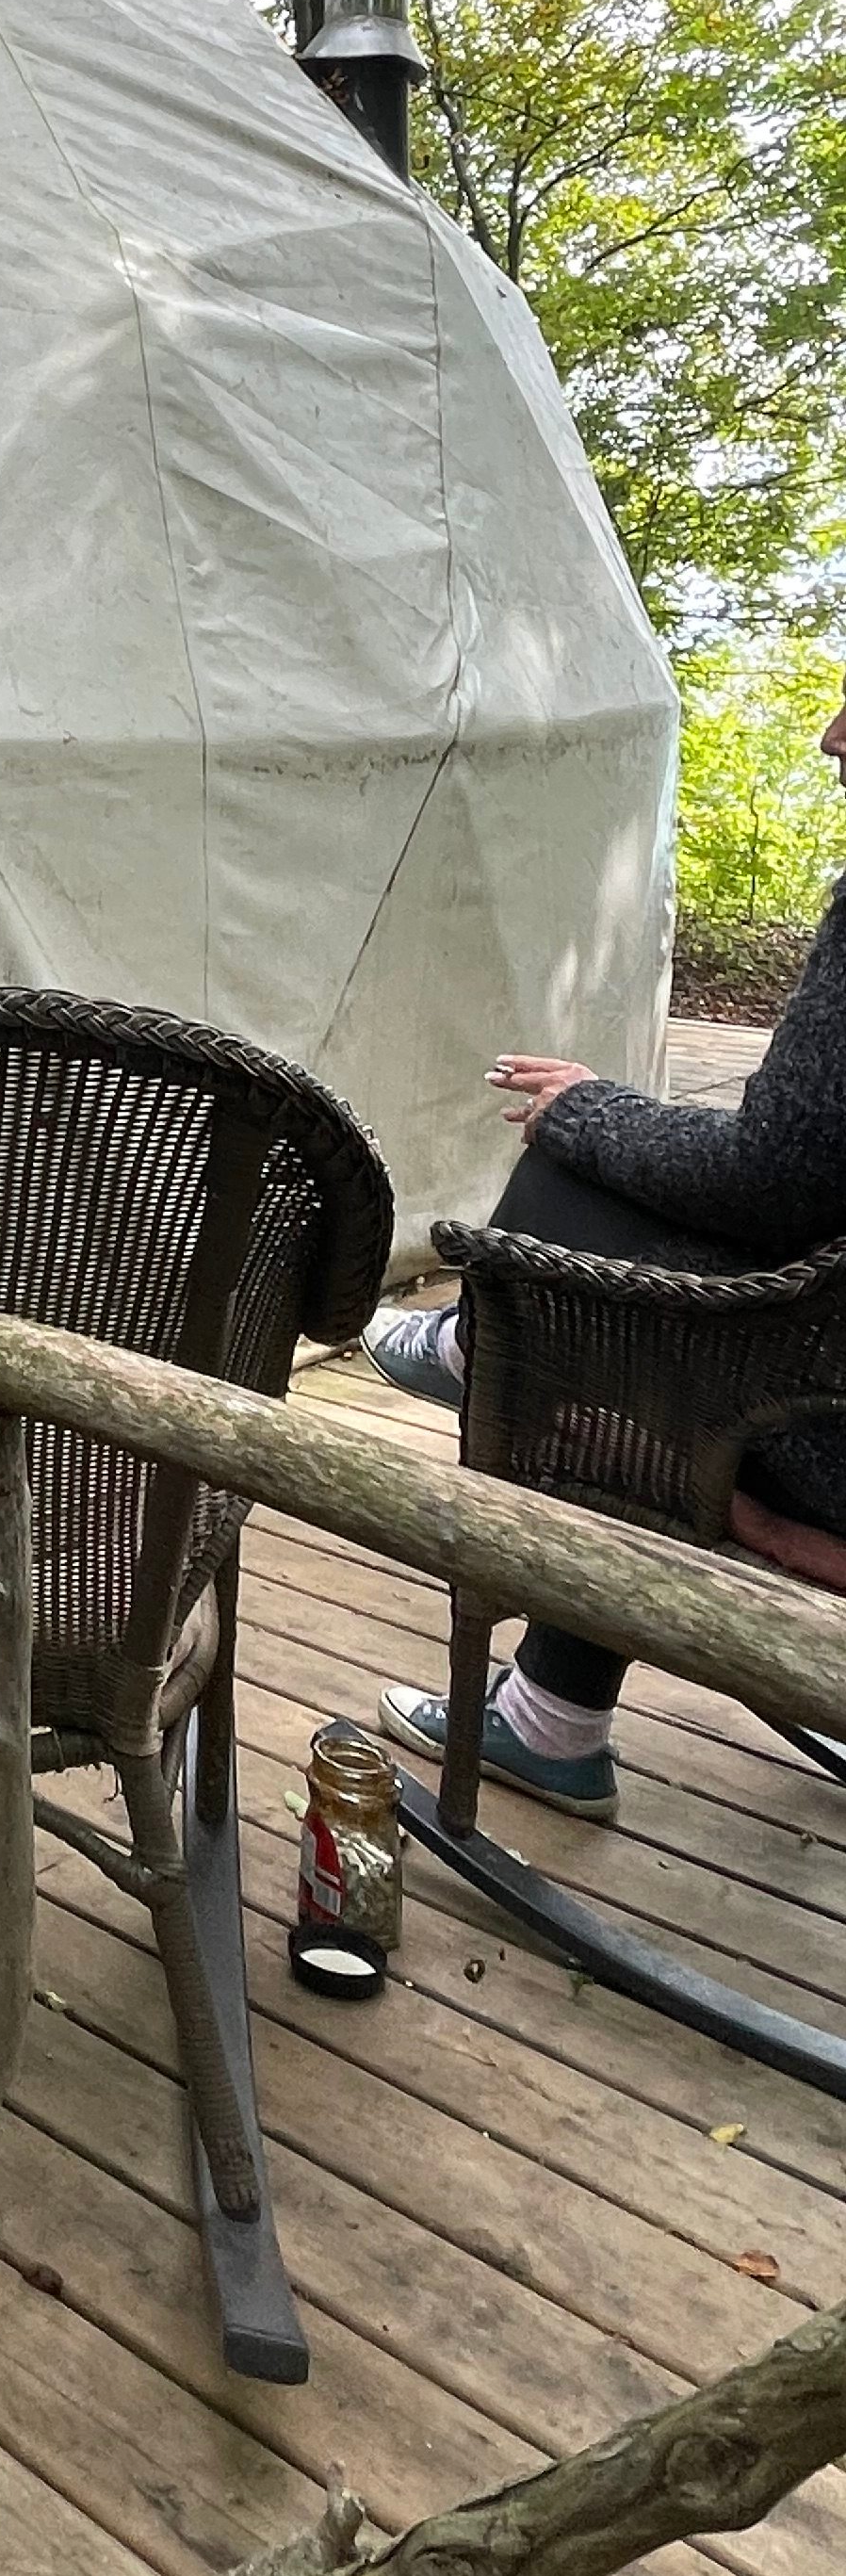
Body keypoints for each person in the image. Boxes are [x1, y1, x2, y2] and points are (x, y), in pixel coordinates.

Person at [362, 675, 846, 1821]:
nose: (831, 738)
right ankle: (551, 1717)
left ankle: (482, 1347)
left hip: (824, 1436)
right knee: (626, 1287)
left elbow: (776, 1176)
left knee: (585, 1329)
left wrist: (584, 1108)